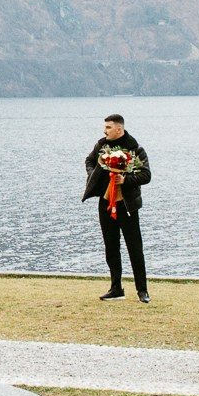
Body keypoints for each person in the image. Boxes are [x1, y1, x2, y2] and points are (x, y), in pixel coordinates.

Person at [82, 113, 152, 302]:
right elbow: (88, 161)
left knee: (135, 248)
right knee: (111, 247)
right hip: (106, 203)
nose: (104, 131)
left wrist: (125, 179)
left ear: (119, 129)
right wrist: (94, 175)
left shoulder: (135, 149)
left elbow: (146, 175)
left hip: (127, 205)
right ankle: (116, 288)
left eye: (108, 128)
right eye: (105, 128)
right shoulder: (101, 146)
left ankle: (142, 291)